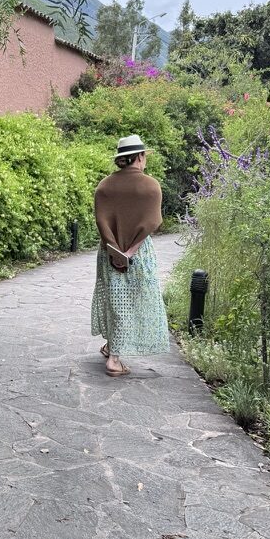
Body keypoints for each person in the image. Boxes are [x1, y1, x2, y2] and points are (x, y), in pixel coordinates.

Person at [91, 134, 170, 376]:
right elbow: (151, 223)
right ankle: (114, 359)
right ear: (139, 157)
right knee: (133, 300)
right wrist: (129, 252)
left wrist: (115, 251)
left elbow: (101, 222)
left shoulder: (104, 186)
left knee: (115, 299)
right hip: (140, 254)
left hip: (108, 252)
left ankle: (111, 346)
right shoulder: (151, 186)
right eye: (144, 156)